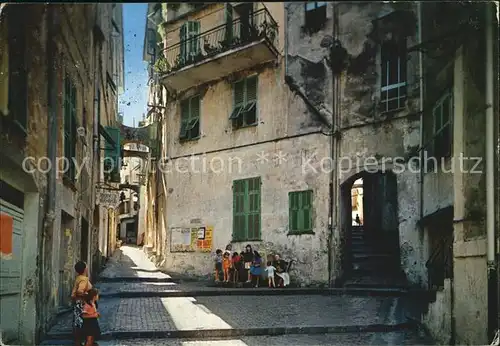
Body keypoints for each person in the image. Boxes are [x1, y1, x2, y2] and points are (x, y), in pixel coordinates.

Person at [71, 261, 93, 346]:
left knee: (78, 323)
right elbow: (80, 291)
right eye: (86, 267)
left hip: (77, 303)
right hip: (82, 304)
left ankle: (78, 342)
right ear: (84, 269)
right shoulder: (84, 279)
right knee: (83, 324)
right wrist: (89, 295)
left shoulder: (78, 278)